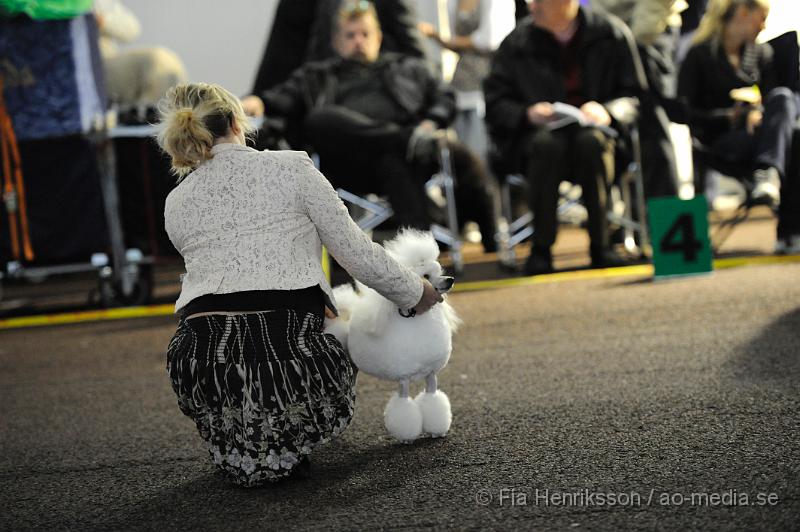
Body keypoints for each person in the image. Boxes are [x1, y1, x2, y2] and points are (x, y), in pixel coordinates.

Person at [157, 82, 443, 486]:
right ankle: (287, 434)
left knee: (245, 430)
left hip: (201, 362)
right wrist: (416, 293)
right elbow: (356, 253)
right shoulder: (292, 168)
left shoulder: (176, 201)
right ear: (239, 122)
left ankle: (247, 443)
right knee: (341, 327)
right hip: (289, 355)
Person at [243, 1, 500, 252]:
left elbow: (445, 97)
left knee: (435, 158)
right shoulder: (316, 76)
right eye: (350, 35)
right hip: (351, 163)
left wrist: (431, 122)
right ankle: (402, 139)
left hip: (408, 158)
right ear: (336, 41)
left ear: (378, 37)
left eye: (365, 34)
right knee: (320, 119)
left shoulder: (406, 68)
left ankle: (477, 240)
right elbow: (280, 97)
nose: (358, 41)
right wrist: (259, 101)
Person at [484, 0, 639, 275]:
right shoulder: (515, 44)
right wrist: (527, 114)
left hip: (597, 137)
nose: (532, 6)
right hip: (536, 142)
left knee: (592, 143)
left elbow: (636, 96)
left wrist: (608, 111)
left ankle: (602, 244)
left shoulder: (610, 33)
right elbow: (495, 103)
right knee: (547, 145)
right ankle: (541, 250)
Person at [677, 0, 799, 250]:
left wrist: (758, 112)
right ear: (743, 13)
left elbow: (774, 102)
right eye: (761, 18)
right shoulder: (699, 55)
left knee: (787, 107)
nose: (764, 26)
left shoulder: (762, 53)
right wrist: (733, 116)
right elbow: (685, 112)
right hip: (721, 140)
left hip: (763, 137)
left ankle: (768, 176)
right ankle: (789, 229)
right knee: (793, 140)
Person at [591, 0, 684, 197]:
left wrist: (632, 40)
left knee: (653, 127)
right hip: (610, 40)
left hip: (646, 36)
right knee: (619, 131)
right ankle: (628, 215)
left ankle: (663, 215)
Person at [417, 0, 517, 163]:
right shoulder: (453, 2)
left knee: (482, 149)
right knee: (462, 151)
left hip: (489, 80)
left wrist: (441, 39)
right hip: (461, 82)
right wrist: (441, 39)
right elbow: (458, 42)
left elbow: (490, 40)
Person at [93, 0, 187, 113]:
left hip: (104, 64)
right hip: (83, 72)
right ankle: (145, 114)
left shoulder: (95, 3)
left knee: (160, 59)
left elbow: (132, 29)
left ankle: (152, 113)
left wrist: (102, 21)